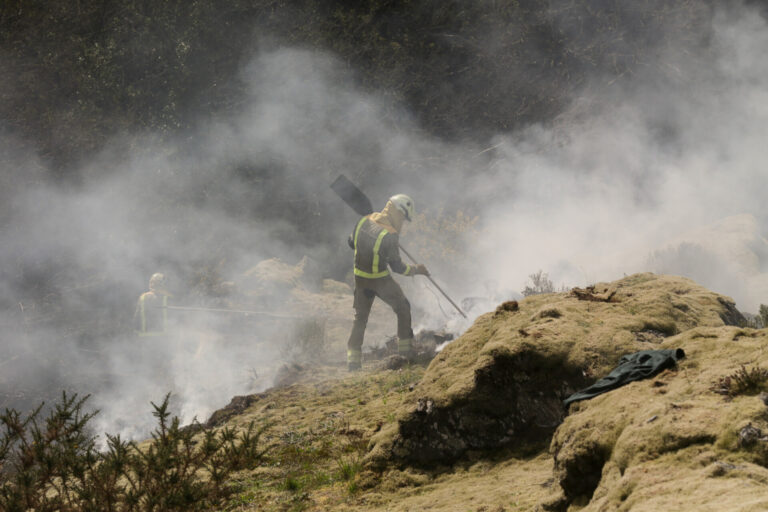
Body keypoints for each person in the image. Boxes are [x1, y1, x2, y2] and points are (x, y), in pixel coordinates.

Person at [346, 194, 429, 370]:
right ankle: (405, 355)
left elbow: (351, 243)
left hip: (360, 279)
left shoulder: (363, 221)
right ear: (397, 212)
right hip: (380, 281)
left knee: (360, 319)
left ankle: (353, 364)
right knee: (403, 307)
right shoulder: (390, 235)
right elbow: (398, 268)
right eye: (404, 218)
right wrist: (417, 270)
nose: (403, 223)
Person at [134, 273, 172, 337]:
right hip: (163, 338)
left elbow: (137, 317)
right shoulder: (167, 298)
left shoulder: (143, 297)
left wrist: (135, 333)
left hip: (144, 337)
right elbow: (176, 318)